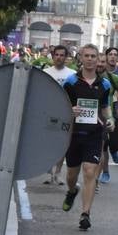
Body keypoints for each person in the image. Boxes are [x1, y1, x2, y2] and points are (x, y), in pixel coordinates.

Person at [60, 45, 114, 231]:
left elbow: (106, 107)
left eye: (94, 56)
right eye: (87, 56)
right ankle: (72, 190)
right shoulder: (70, 82)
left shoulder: (105, 84)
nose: (90, 59)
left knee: (90, 171)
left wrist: (111, 119)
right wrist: (69, 110)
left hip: (94, 134)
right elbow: (59, 105)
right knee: (71, 175)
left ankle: (85, 214)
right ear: (80, 58)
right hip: (74, 134)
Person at [43, 45, 73, 184]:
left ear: (66, 57)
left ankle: (58, 172)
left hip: (66, 112)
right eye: (57, 55)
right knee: (48, 142)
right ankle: (48, 171)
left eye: (62, 55)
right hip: (48, 112)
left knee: (63, 143)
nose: (59, 57)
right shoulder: (45, 72)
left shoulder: (72, 74)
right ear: (53, 56)